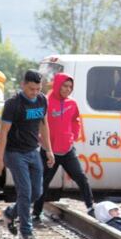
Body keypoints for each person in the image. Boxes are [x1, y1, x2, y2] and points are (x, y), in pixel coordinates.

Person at [0, 70, 54, 239]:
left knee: (36, 192)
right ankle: (26, 232)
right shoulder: (13, 104)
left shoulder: (42, 100)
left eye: (37, 89)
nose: (34, 92)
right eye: (31, 89)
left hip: (33, 151)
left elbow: (44, 125)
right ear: (23, 85)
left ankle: (10, 213)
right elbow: (3, 133)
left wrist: (48, 149)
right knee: (25, 191)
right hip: (14, 153)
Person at [32, 72, 94, 222]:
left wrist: (73, 135)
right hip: (49, 151)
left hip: (67, 150)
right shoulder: (45, 101)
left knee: (81, 178)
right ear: (58, 85)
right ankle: (36, 214)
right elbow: (35, 121)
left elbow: (75, 120)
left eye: (70, 87)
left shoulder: (72, 103)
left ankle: (91, 207)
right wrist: (40, 140)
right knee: (43, 183)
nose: (67, 89)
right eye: (65, 86)